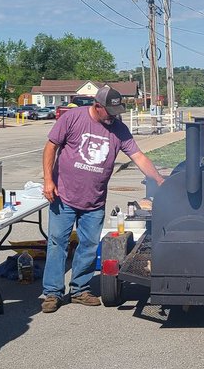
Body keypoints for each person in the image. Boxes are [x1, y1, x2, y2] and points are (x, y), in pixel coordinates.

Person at [40, 84, 164, 313]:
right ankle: (52, 293)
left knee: (88, 245)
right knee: (58, 243)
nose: (113, 117)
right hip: (64, 195)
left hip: (94, 200)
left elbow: (137, 156)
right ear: (97, 106)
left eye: (117, 112)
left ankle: (79, 290)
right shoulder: (73, 118)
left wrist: (159, 179)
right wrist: (48, 180)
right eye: (109, 112)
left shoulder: (119, 129)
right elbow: (51, 147)